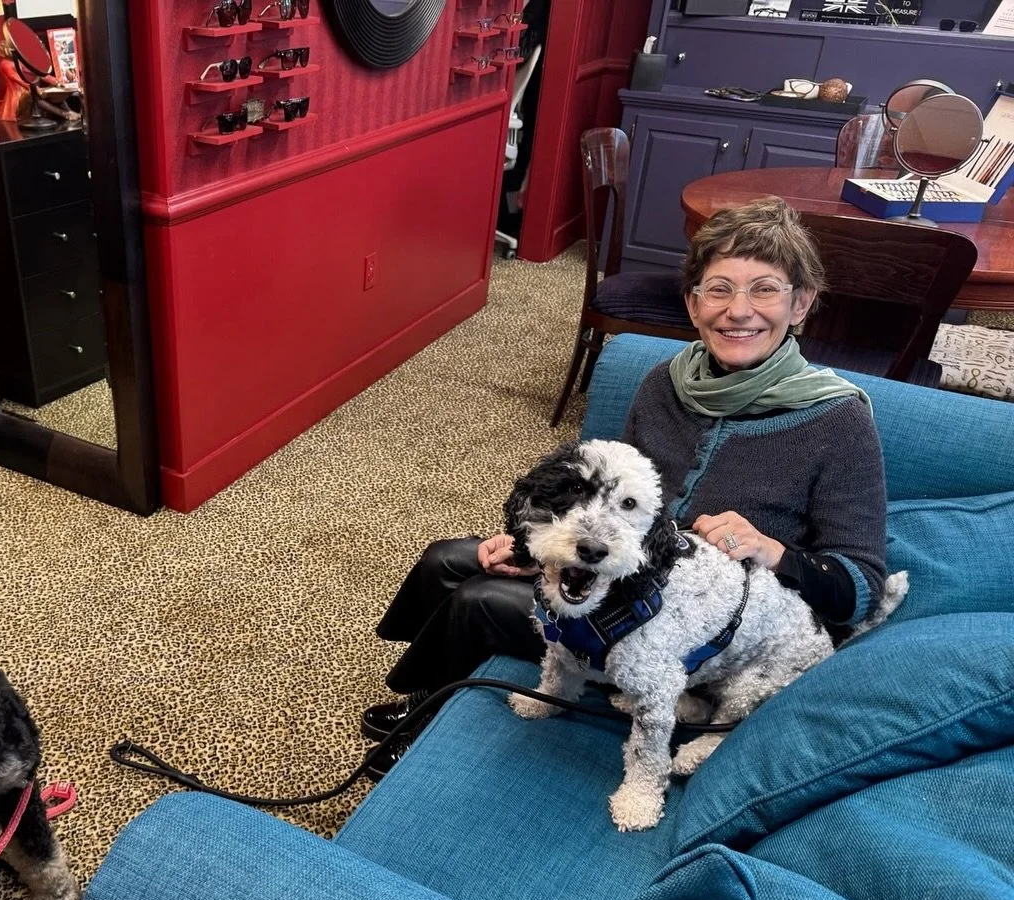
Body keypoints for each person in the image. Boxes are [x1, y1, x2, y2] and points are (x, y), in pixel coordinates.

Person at [364, 197, 887, 776]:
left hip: (691, 618)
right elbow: (605, 497)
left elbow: (862, 586)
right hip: (622, 569)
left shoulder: (838, 420)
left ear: (800, 303)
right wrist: (539, 547)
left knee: (479, 600)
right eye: (719, 289)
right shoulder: (664, 383)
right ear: (693, 303)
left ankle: (419, 722)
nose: (739, 310)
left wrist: (772, 551)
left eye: (764, 289)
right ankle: (425, 687)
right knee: (447, 559)